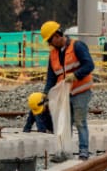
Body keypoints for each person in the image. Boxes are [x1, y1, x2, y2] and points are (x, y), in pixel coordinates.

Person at [39, 20, 95, 160]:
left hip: (80, 91)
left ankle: (83, 151)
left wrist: (76, 75)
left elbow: (89, 65)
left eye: (51, 41)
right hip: (64, 94)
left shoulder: (77, 46)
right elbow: (52, 77)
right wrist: (46, 94)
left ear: (57, 35)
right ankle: (65, 152)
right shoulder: (53, 55)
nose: (50, 45)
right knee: (64, 122)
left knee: (79, 121)